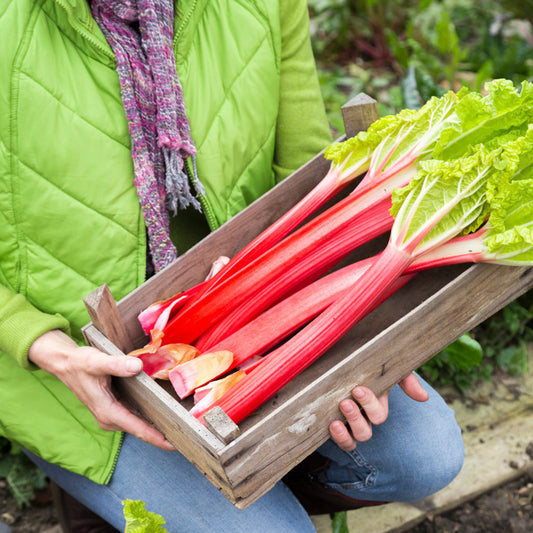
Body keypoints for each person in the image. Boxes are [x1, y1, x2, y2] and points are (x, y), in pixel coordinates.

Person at [0, 0, 465, 531]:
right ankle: (127, 499)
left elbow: (308, 173)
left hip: (252, 325)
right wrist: (37, 342)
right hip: (70, 369)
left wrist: (362, 345)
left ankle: (246, 482)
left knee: (424, 456)